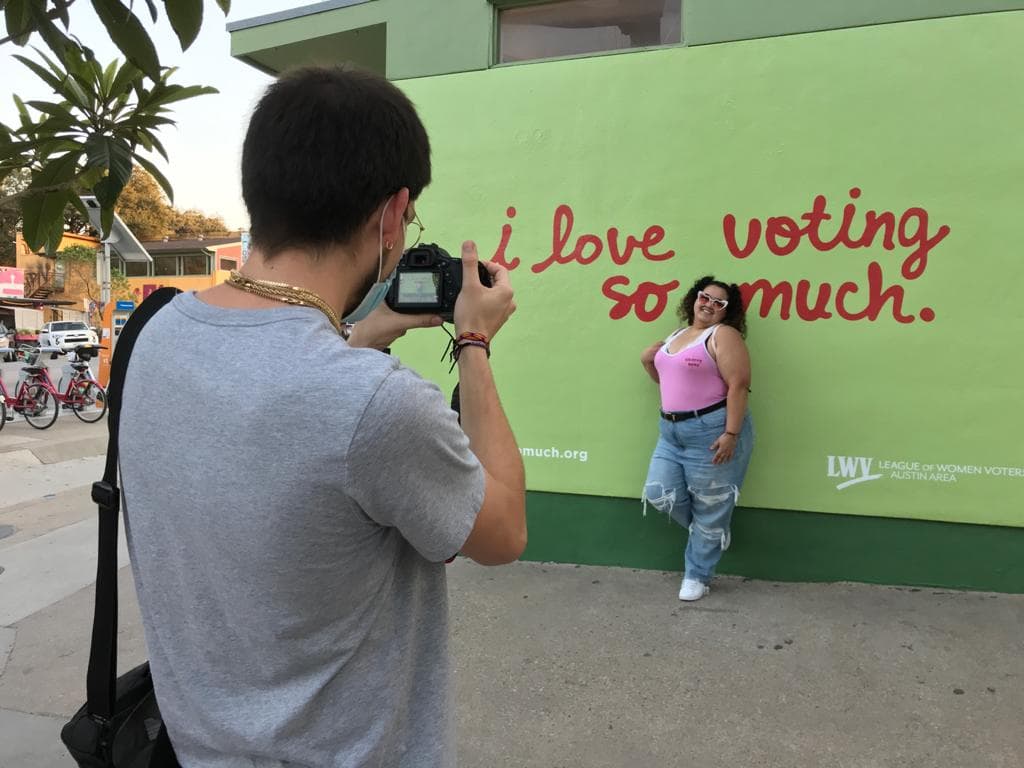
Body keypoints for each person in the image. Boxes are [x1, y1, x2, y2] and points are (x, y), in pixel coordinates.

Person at [117, 66, 526, 766]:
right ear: (392, 213)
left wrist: (371, 329)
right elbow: (502, 531)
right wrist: (474, 342)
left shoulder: (157, 336)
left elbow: (281, 389)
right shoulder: (377, 404)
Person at [640, 276, 754, 602]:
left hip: (711, 430)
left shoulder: (723, 335)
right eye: (706, 297)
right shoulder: (677, 335)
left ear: (726, 313)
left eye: (720, 303)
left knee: (712, 504)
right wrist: (649, 361)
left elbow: (739, 385)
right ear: (694, 298)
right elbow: (668, 380)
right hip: (671, 431)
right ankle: (710, 531)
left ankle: (698, 575)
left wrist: (731, 434)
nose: (709, 305)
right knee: (659, 492)